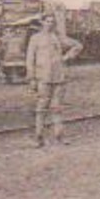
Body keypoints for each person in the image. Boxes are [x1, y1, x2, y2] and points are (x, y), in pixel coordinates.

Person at [24, 13, 83, 147]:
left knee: (57, 108)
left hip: (59, 77)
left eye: (52, 22)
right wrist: (31, 77)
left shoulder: (58, 37)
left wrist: (66, 57)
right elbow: (29, 59)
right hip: (43, 77)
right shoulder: (35, 38)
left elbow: (78, 46)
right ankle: (38, 137)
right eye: (47, 21)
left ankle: (59, 136)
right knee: (41, 108)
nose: (50, 24)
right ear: (42, 23)